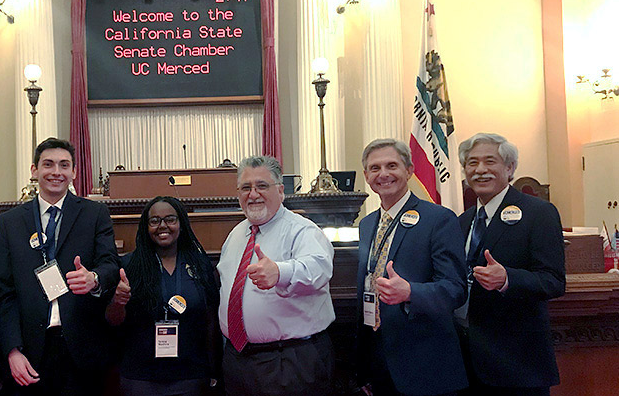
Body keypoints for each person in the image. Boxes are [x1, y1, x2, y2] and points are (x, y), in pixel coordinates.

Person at [0, 137, 121, 395]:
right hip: (29, 353)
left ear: (73, 172)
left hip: (82, 349)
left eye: (64, 165)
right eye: (48, 164)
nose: (56, 172)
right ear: (34, 170)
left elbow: (110, 264)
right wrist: (12, 350)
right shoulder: (11, 222)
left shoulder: (94, 214)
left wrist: (94, 278)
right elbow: (4, 292)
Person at [356, 139, 468, 395]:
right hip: (380, 361)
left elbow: (456, 289)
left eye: (392, 165)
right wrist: (364, 366)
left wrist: (410, 292)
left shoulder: (439, 219)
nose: (383, 174)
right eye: (375, 168)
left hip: (425, 365)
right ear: (366, 176)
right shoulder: (367, 224)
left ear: (409, 170)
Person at [216, 155, 335, 396]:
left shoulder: (302, 230)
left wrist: (280, 271)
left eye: (262, 186)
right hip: (238, 361)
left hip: (289, 362)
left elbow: (318, 268)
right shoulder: (236, 234)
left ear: (280, 191)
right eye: (246, 188)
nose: (253, 194)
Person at [456, 133, 565, 395]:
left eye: (489, 161)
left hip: (517, 364)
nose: (480, 170)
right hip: (468, 361)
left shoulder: (538, 213)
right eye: (472, 163)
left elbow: (553, 281)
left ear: (510, 167)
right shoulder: (463, 220)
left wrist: (507, 279)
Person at [106, 196, 221, 396]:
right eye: (154, 221)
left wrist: (213, 368)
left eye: (170, 219)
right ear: (146, 226)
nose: (162, 226)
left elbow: (211, 321)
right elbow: (113, 321)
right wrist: (118, 302)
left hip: (191, 375)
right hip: (140, 377)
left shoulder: (199, 265)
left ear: (181, 224)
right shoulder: (128, 266)